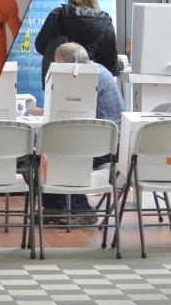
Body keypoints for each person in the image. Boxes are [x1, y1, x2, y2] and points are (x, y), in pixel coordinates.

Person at [25, 42, 123, 225]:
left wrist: (44, 112)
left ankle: (81, 209)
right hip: (107, 141)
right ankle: (56, 207)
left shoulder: (86, 78)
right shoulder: (97, 70)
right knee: (54, 150)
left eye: (57, 65)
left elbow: (70, 112)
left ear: (70, 65)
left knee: (61, 152)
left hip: (104, 146)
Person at [35, 0, 120, 87]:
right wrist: (121, 65)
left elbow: (40, 47)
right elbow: (110, 66)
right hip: (91, 87)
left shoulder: (56, 16)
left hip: (58, 85)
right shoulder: (104, 22)